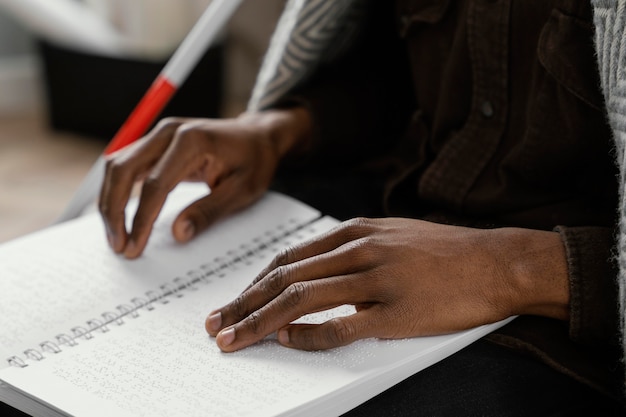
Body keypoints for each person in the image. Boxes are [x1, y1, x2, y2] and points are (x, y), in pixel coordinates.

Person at [98, 0, 626, 415]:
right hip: (393, 194)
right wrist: (279, 130)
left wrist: (513, 269)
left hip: (573, 306)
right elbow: (395, 73)